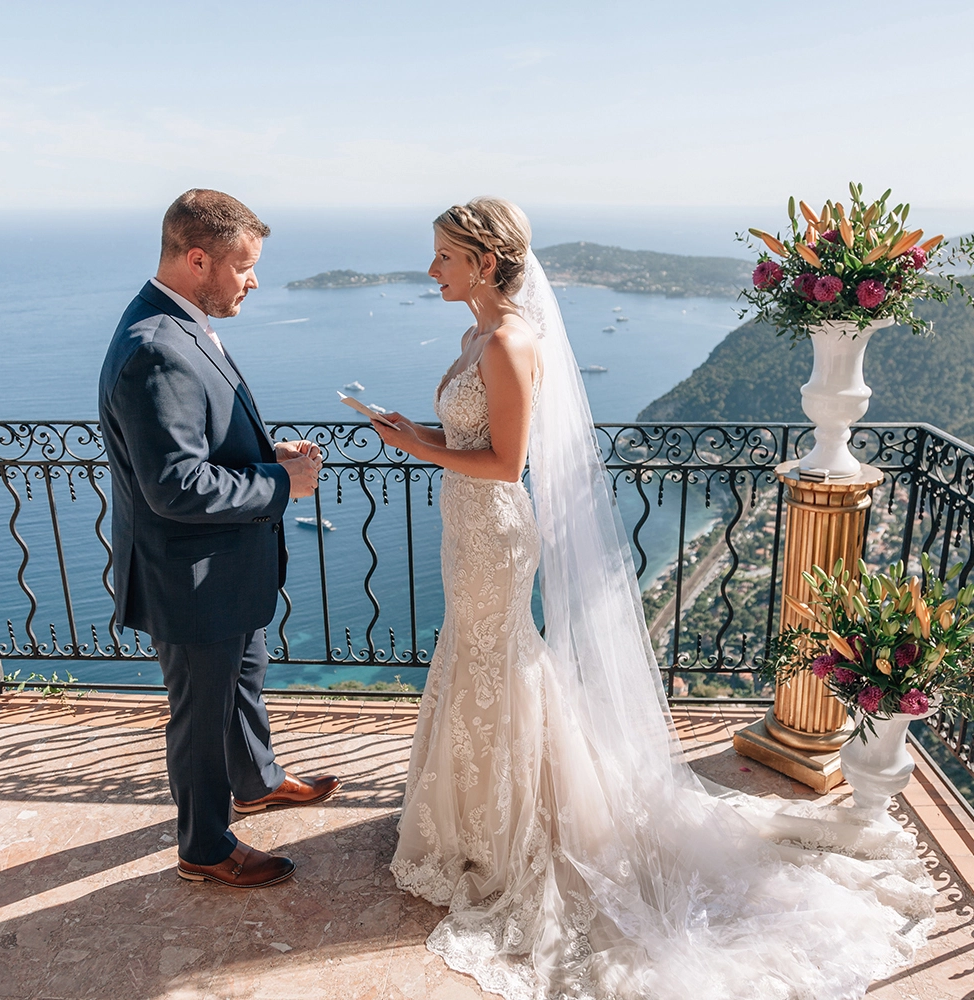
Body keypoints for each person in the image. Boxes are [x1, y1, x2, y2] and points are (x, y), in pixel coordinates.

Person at [374, 198, 935, 999]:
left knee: (499, 658)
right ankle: (473, 815)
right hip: (465, 527)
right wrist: (413, 435)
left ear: (485, 262)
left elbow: (505, 464)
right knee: (476, 655)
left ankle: (510, 829)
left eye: (443, 256)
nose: (431, 268)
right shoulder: (474, 337)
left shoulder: (508, 342)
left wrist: (414, 446)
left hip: (494, 531)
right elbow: (470, 444)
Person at [99, 189, 339, 889]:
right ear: (198, 259)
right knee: (201, 717)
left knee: (243, 681)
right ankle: (204, 848)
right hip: (191, 577)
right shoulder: (155, 348)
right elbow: (174, 486)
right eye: (244, 266)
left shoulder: (181, 324)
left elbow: (200, 445)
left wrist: (267, 456)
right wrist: (282, 485)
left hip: (221, 568)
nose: (254, 281)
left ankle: (257, 782)